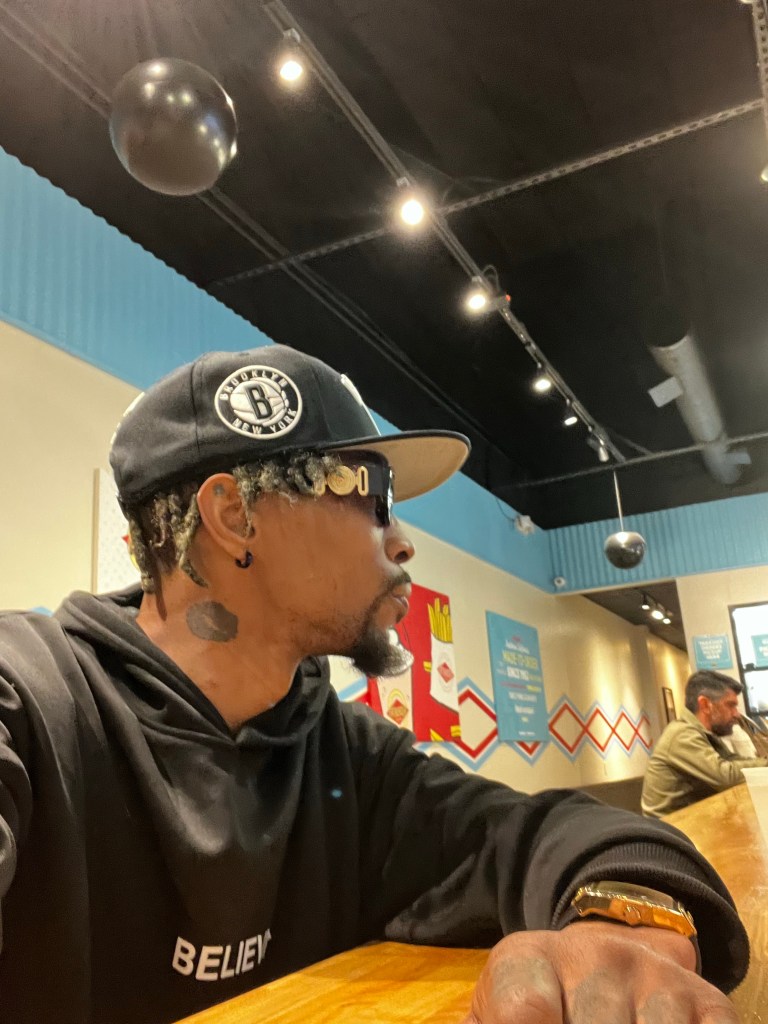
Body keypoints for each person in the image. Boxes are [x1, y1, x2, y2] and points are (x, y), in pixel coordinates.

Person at [0, 345, 747, 1024]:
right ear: (235, 517)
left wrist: (620, 931)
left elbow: (550, 834)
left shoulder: (350, 760)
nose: (403, 541)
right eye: (376, 495)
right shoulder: (27, 700)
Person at [642, 669, 768, 818]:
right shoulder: (682, 734)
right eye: (730, 705)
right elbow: (725, 776)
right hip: (671, 828)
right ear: (705, 704)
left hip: (692, 821)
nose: (736, 714)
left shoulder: (703, 734)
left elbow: (732, 760)